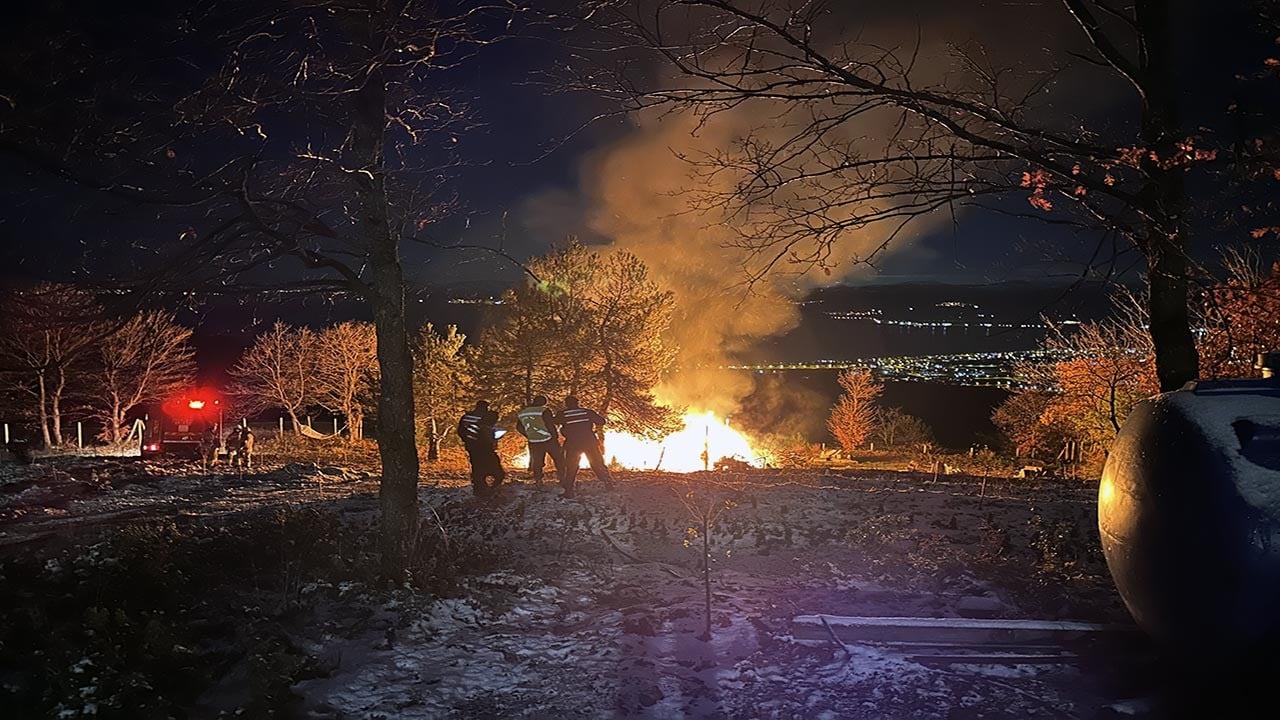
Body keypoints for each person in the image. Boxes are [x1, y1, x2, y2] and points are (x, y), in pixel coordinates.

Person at [555, 395, 612, 498]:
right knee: (597, 463)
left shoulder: (562, 414)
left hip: (572, 443)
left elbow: (555, 421)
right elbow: (601, 422)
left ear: (566, 404)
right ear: (578, 403)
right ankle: (608, 483)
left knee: (571, 466)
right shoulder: (587, 412)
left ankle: (569, 491)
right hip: (589, 442)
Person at [458, 400, 505, 498]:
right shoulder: (486, 419)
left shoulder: (466, 417)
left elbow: (461, 431)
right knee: (496, 469)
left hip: (472, 447)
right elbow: (490, 434)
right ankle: (491, 488)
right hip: (486, 448)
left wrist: (467, 441)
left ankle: (480, 489)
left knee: (476, 467)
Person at [516, 395, 564, 487]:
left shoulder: (523, 412)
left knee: (537, 461)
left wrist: (528, 434)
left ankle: (538, 480)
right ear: (544, 402)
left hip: (533, 440)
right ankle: (562, 478)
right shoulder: (544, 410)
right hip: (548, 439)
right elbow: (550, 424)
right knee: (558, 459)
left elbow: (519, 427)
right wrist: (555, 436)